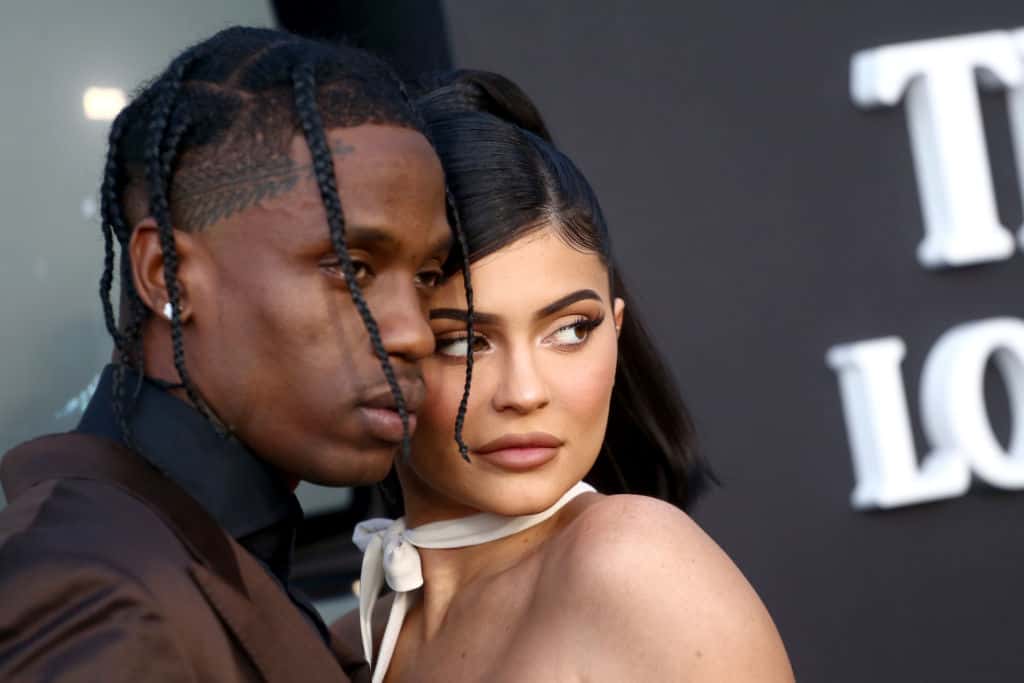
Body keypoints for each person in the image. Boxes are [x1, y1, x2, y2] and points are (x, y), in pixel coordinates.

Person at [0, 27, 474, 682]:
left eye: (425, 276)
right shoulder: (93, 591)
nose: (414, 332)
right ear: (168, 276)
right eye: (352, 267)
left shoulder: (181, 549)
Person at [337, 71, 795, 682]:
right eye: (462, 341)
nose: (525, 392)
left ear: (617, 327)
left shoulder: (632, 564)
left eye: (572, 329)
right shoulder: (347, 645)